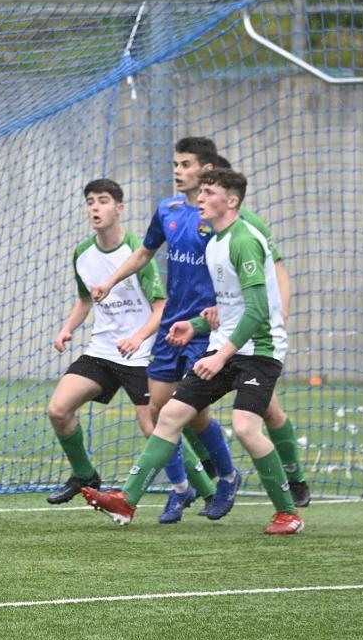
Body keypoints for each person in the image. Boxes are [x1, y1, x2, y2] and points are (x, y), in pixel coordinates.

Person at [90, 138, 309, 520]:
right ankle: (138, 497)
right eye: (177, 164)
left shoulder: (244, 235)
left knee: (254, 422)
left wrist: (271, 323)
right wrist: (194, 324)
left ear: (226, 195)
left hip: (253, 346)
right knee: (168, 412)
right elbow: (225, 302)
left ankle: (290, 495)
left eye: (187, 166)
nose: (179, 173)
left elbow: (261, 301)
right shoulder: (205, 234)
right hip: (214, 338)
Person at [45, 179, 189, 523]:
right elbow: (85, 300)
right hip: (102, 351)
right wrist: (67, 328)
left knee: (153, 428)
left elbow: (161, 308)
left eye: (103, 200)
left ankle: (190, 487)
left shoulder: (137, 252)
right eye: (90, 201)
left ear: (119, 208)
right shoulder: (82, 254)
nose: (95, 207)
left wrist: (138, 338)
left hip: (140, 353)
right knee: (58, 410)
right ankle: (85, 475)